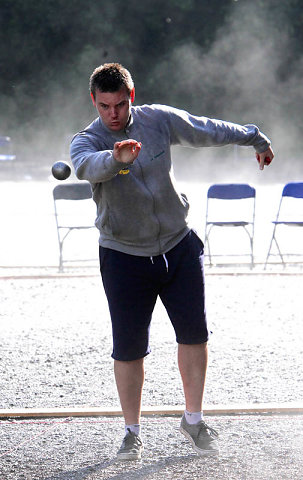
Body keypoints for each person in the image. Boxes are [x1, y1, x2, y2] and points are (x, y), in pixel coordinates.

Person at [70, 62, 274, 460]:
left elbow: (205, 128)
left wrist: (253, 137)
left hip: (178, 245)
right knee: (128, 348)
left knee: (195, 335)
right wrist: (116, 159)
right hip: (124, 254)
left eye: (119, 105)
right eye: (104, 106)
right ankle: (132, 432)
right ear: (93, 101)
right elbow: (84, 166)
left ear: (131, 97)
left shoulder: (158, 120)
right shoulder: (87, 140)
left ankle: (193, 421)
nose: (112, 114)